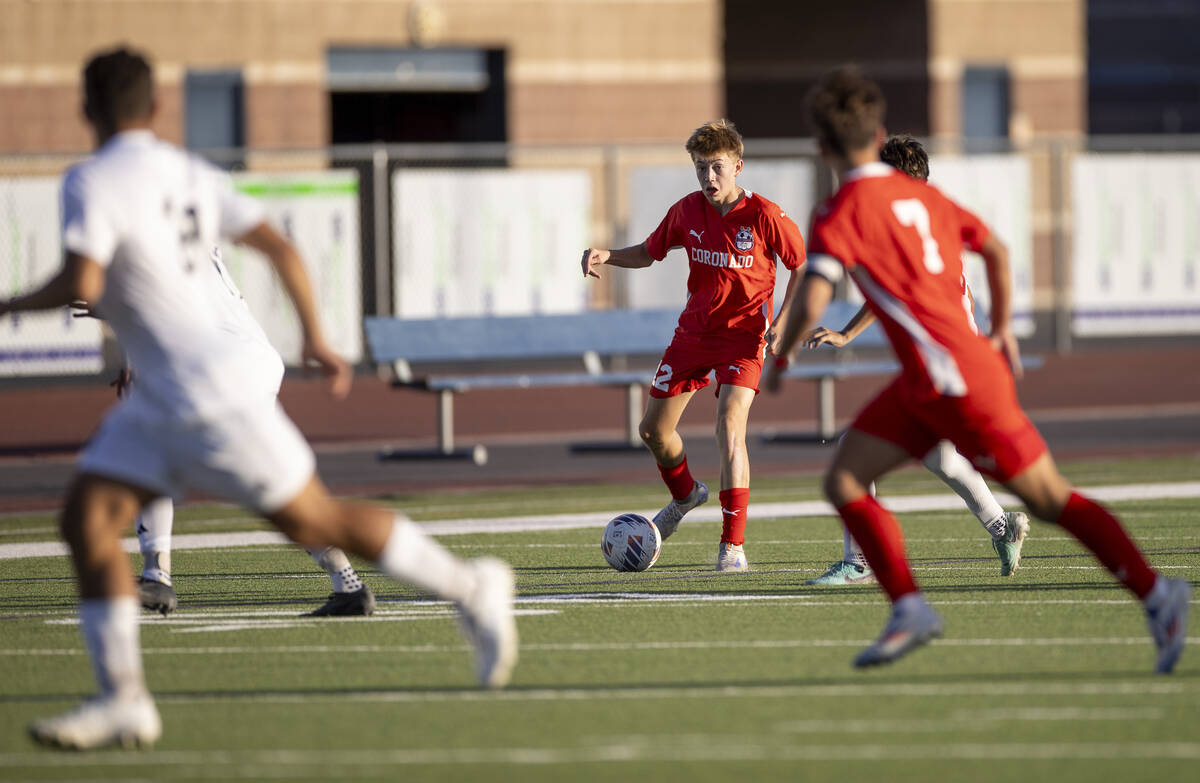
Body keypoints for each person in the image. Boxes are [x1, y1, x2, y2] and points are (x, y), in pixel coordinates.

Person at [3, 46, 517, 751]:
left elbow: (85, 281)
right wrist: (316, 335)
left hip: (207, 385)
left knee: (315, 519)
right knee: (87, 513)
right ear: (156, 108)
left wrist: (11, 303)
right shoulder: (189, 172)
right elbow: (279, 247)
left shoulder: (90, 180)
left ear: (85, 109)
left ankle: (470, 585)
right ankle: (125, 691)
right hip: (185, 381)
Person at [764, 67, 1189, 671]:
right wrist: (1005, 327)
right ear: (878, 131)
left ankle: (1157, 593)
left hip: (957, 381)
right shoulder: (926, 198)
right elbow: (994, 249)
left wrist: (780, 359)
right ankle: (909, 606)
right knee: (846, 479)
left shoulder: (839, 211)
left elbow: (811, 295)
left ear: (821, 148)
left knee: (1049, 498)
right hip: (926, 382)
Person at [81, 248, 375, 619]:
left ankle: (157, 576)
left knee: (147, 450)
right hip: (258, 361)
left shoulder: (146, 233)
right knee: (270, 488)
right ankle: (348, 584)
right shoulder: (187, 228)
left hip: (225, 366)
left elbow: (153, 306)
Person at [801, 134, 1030, 585]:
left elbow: (894, 283)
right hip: (958, 364)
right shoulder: (930, 220)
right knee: (942, 458)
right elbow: (899, 287)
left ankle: (861, 563)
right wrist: (848, 333)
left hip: (947, 368)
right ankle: (1002, 527)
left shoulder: (905, 225)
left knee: (853, 456)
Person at [581, 119, 806, 572]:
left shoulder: (765, 215)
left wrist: (783, 322)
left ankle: (732, 547)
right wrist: (609, 255)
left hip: (744, 340)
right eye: (701, 168)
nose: (708, 177)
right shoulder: (686, 211)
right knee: (653, 433)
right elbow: (649, 252)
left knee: (729, 426)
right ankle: (686, 496)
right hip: (693, 336)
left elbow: (801, 266)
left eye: (717, 167)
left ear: (738, 166)